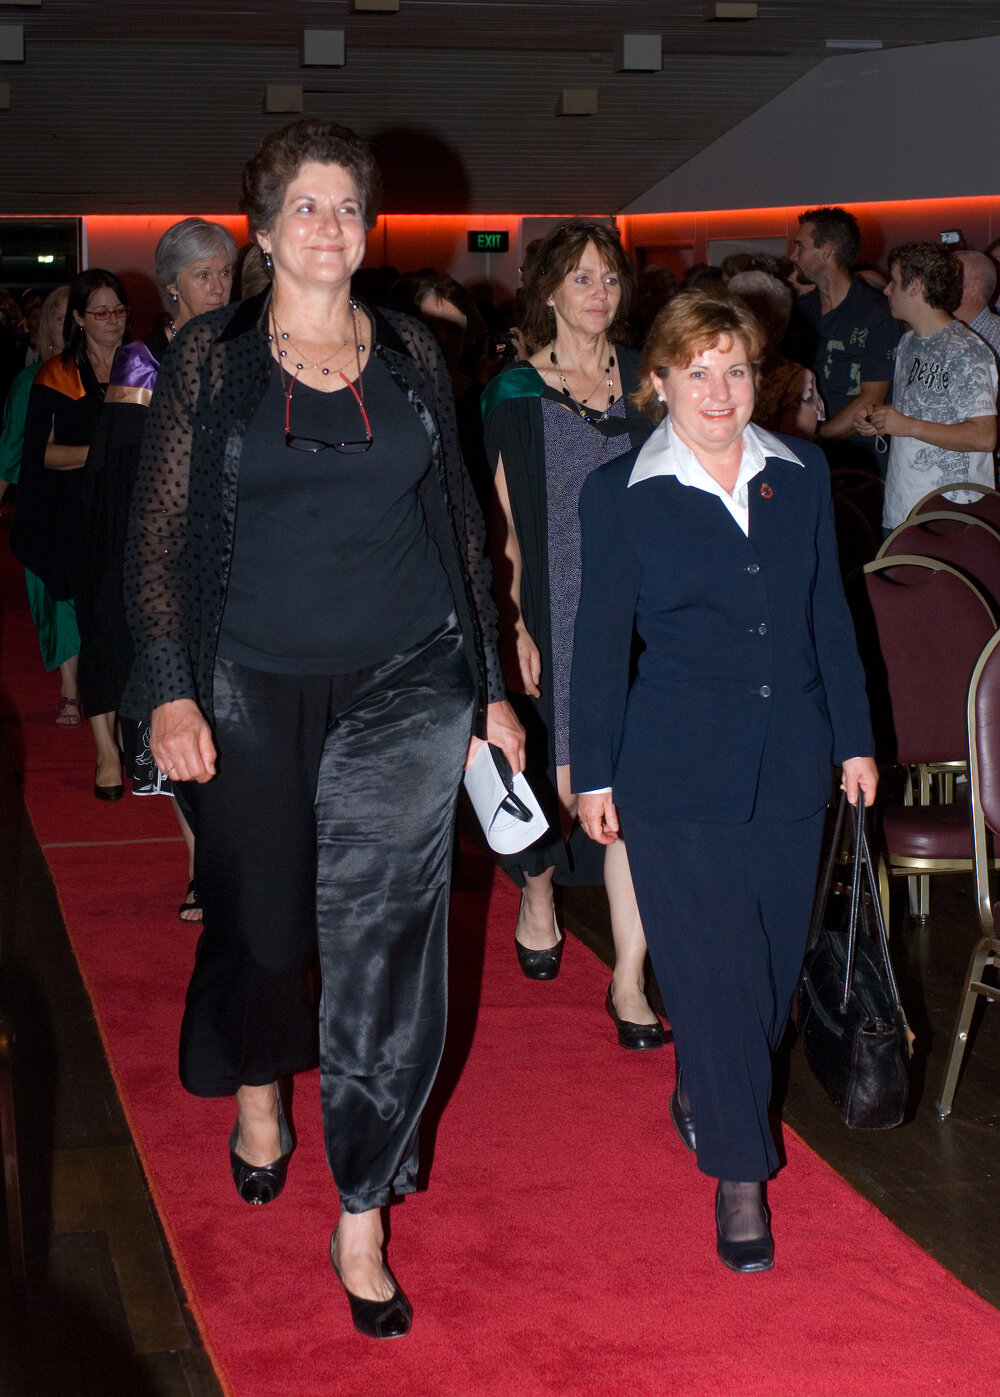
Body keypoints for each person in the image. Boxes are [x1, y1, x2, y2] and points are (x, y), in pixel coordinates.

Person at [122, 118, 523, 1339]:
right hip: (246, 673)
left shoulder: (409, 349)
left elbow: (458, 524)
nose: (330, 227)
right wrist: (168, 685)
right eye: (306, 205)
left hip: (406, 673)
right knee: (267, 917)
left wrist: (491, 684)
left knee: (387, 939)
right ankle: (257, 1084)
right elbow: (160, 532)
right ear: (263, 227)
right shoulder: (209, 356)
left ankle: (364, 1205)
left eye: (348, 207)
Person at [570, 288, 877, 1272]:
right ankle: (739, 1171)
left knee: (771, 976)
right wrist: (594, 768)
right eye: (695, 370)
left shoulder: (799, 471)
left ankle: (710, 1086)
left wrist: (854, 740)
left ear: (761, 379)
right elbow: (597, 638)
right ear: (657, 382)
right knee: (708, 973)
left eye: (734, 369)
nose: (717, 388)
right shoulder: (619, 490)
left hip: (792, 759)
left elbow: (831, 616)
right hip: (672, 770)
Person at [482, 220, 663, 1048]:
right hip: (555, 609)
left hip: (646, 611)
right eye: (582, 278)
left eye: (610, 278)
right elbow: (506, 524)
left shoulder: (649, 382)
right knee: (558, 782)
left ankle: (628, 977)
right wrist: (513, 619)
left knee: (637, 790)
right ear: (549, 290)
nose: (599, 292)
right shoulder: (516, 390)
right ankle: (539, 883)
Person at [81, 219, 237, 919]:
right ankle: (203, 868)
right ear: (172, 285)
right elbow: (122, 481)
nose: (219, 286)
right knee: (179, 718)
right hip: (169, 564)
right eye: (204, 274)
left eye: (226, 273)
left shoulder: (253, 349)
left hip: (238, 566)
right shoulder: (143, 363)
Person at [10, 269, 130, 792]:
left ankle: (126, 733)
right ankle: (105, 750)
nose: (112, 322)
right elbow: (40, 457)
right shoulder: (55, 375)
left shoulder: (142, 367)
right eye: (99, 313)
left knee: (129, 634)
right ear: (78, 319)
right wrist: (100, 456)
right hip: (80, 522)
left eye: (118, 311)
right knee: (97, 633)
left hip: (135, 519)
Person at [854, 242, 998, 533]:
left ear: (916, 286)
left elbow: (984, 437)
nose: (886, 289)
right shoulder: (908, 342)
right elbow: (922, 412)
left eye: (894, 281)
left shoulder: (964, 349)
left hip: (952, 514)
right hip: (904, 507)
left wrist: (905, 425)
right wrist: (881, 419)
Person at [0, 286, 81, 722]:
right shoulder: (27, 384)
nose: (66, 325)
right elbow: (8, 453)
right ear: (46, 326)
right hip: (43, 510)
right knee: (56, 598)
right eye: (58, 317)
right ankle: (70, 686)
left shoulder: (115, 375)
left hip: (93, 505)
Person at [790, 206, 900, 471]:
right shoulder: (801, 312)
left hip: (859, 463)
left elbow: (872, 397)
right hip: (807, 458)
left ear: (826, 251)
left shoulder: (876, 314)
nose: (793, 256)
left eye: (800, 247)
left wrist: (817, 436)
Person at [726, 269, 824, 439]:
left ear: (777, 325)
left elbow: (795, 447)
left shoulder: (795, 377)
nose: (744, 324)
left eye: (756, 315)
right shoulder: (715, 368)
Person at [953, 250, 1000, 360]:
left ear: (975, 287)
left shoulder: (997, 337)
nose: (940, 284)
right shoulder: (932, 331)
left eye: (952, 276)